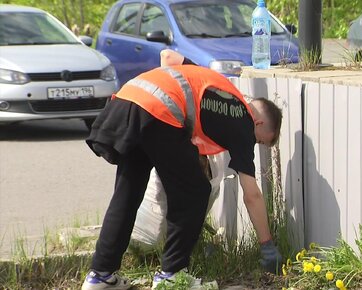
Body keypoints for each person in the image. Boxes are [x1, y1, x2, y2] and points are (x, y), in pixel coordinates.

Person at [81, 50, 283, 290]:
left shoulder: (217, 87)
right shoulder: (243, 120)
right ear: (258, 123)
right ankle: (172, 275)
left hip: (128, 101)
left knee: (128, 193)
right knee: (195, 192)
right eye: (260, 141)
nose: (255, 144)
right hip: (159, 113)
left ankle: (101, 275)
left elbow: (167, 56)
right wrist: (267, 245)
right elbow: (252, 195)